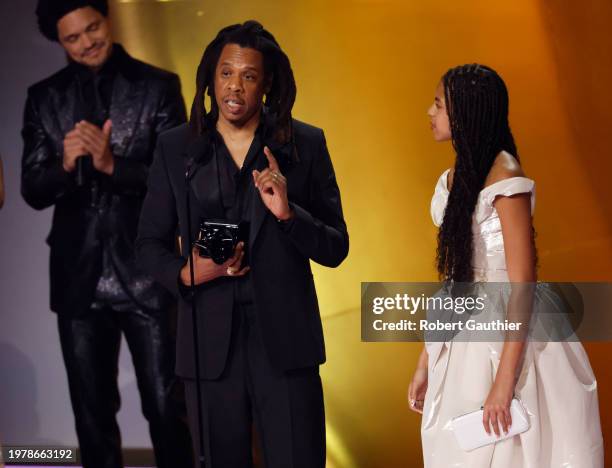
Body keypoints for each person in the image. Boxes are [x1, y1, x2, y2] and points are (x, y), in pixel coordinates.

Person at [136, 20, 349, 468]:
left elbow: (335, 247)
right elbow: (147, 244)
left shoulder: (303, 144)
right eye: (226, 73)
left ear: (266, 83)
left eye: (249, 76)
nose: (236, 86)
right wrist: (184, 273)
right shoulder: (178, 148)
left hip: (286, 344)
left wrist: (290, 214)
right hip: (207, 347)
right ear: (211, 78)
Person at [21, 1, 192, 467]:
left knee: (165, 407)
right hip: (78, 276)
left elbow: (178, 180)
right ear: (60, 41)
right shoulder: (43, 97)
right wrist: (62, 165)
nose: (85, 43)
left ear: (107, 20)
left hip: (146, 273)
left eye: (91, 28)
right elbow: (31, 190)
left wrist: (111, 165)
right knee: (91, 413)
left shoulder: (158, 87)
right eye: (72, 38)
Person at [408, 64, 604, 467]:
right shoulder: (453, 178)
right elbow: (456, 277)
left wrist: (503, 382)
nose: (430, 113)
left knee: (515, 447)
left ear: (464, 112)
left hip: (507, 331)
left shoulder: (505, 177)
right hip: (462, 329)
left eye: (438, 104)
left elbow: (522, 284)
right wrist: (427, 360)